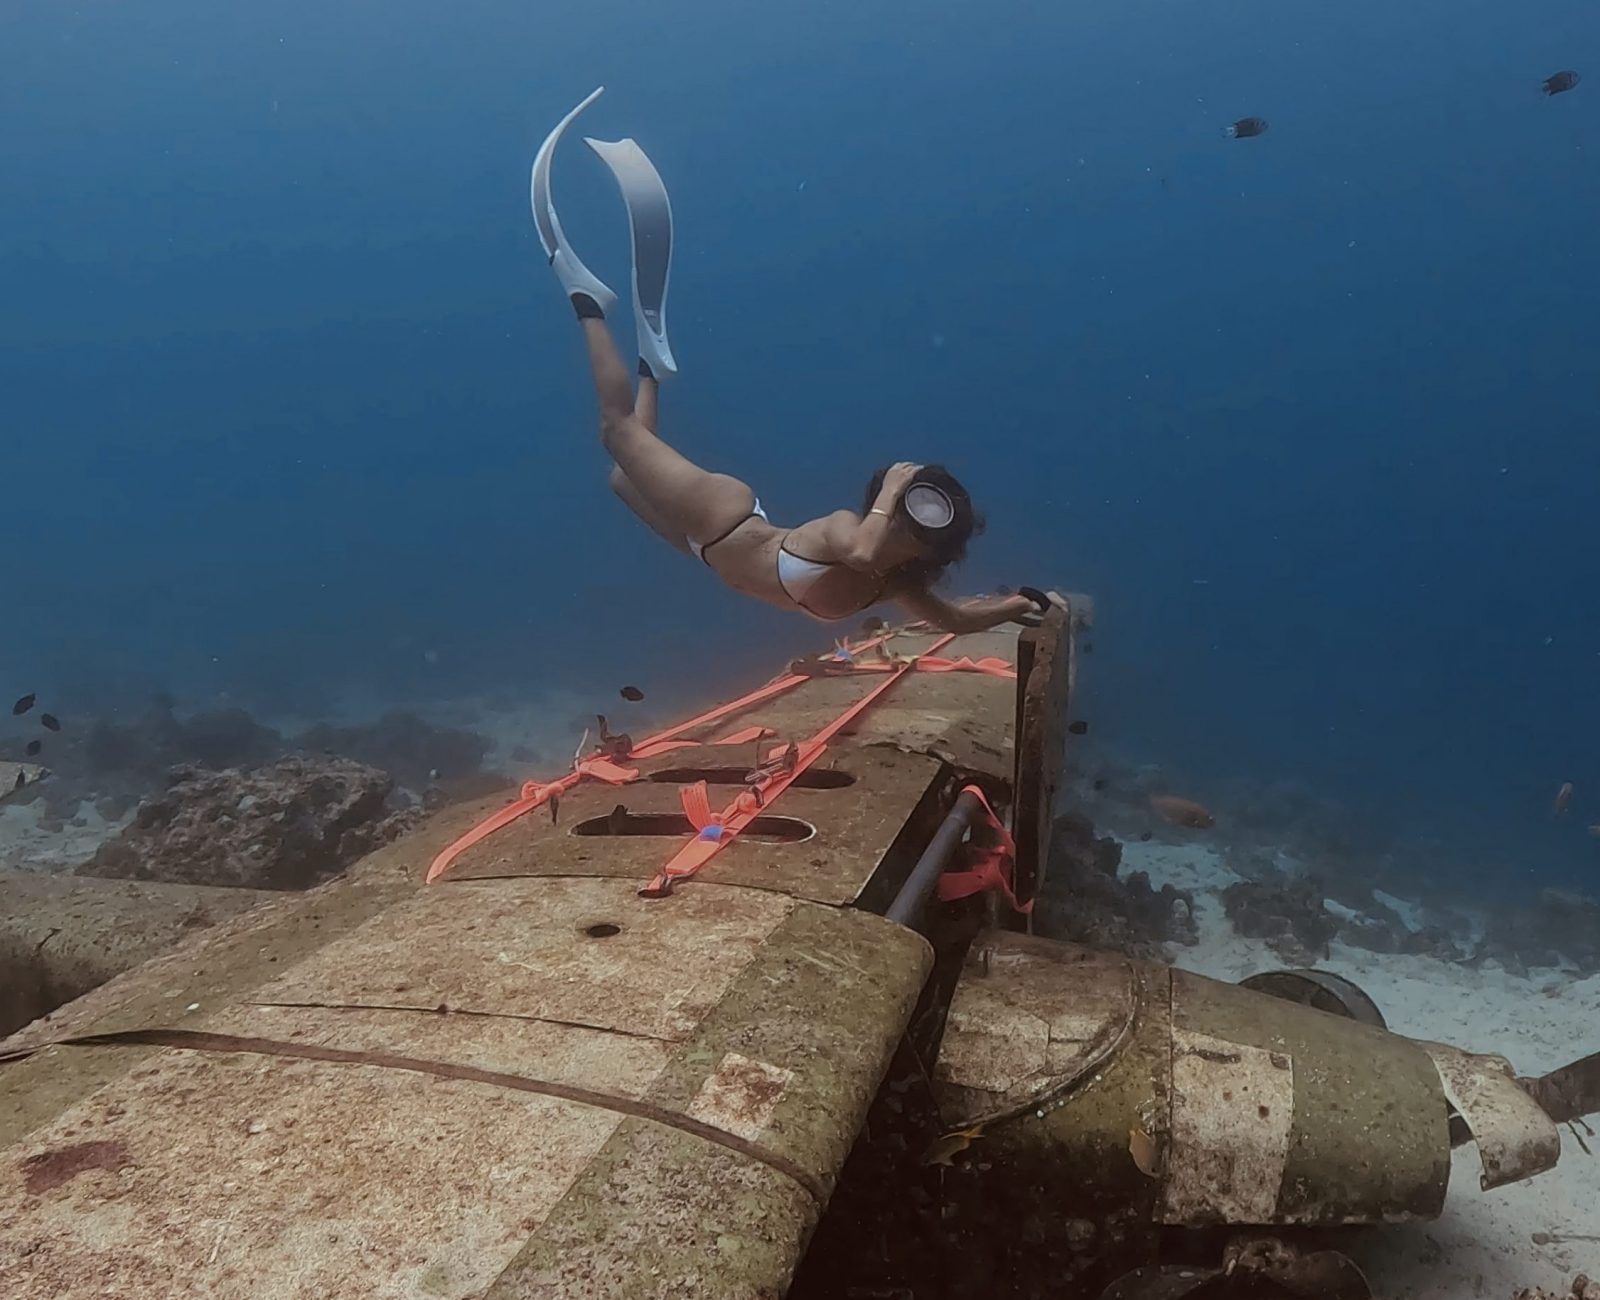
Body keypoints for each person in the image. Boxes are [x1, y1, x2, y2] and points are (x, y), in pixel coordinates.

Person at [533, 89, 1060, 631]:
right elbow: (858, 552)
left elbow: (955, 622)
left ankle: (652, 371)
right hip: (723, 520)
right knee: (615, 429)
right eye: (907, 507)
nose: (907, 522)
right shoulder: (843, 529)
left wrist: (1017, 605)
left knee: (624, 478)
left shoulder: (899, 581)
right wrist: (892, 490)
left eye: (924, 520)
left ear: (936, 545)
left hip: (708, 551)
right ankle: (587, 302)